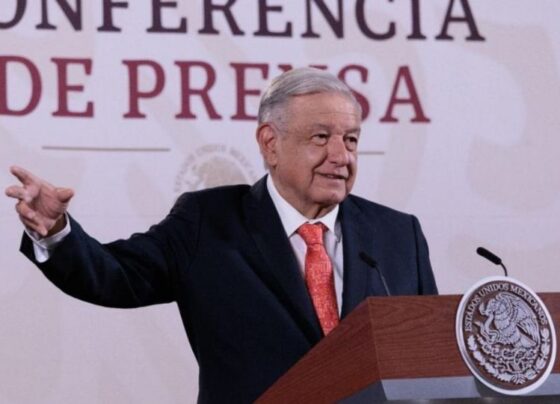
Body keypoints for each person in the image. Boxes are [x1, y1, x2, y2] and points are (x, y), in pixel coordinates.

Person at [5, 67, 437, 403]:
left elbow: (431, 359)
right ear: (270, 143)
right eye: (321, 137)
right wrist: (57, 231)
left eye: (352, 140)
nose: (341, 156)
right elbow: (116, 275)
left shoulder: (399, 235)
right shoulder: (208, 222)